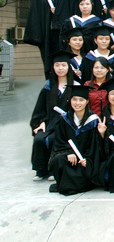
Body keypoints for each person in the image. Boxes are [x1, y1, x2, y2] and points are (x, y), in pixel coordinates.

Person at [30, 50, 75, 181]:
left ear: (69, 67)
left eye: (63, 65)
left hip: (67, 124)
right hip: (49, 123)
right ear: (53, 67)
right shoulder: (48, 87)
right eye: (57, 65)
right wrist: (40, 122)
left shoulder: (75, 86)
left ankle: (53, 169)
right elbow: (40, 109)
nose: (60, 68)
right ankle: (40, 170)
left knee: (53, 139)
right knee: (39, 138)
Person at [48, 84, 101, 195]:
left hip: (85, 159)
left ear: (87, 102)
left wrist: (87, 160)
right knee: (58, 160)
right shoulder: (64, 119)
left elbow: (95, 146)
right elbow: (59, 141)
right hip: (69, 156)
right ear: (69, 100)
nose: (77, 103)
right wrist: (69, 152)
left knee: (87, 167)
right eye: (74, 99)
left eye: (81, 100)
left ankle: (74, 183)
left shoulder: (93, 121)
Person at [24, 0, 60, 77]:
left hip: (61, 34)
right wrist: (37, 36)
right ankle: (49, 82)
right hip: (46, 34)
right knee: (48, 60)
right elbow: (34, 16)